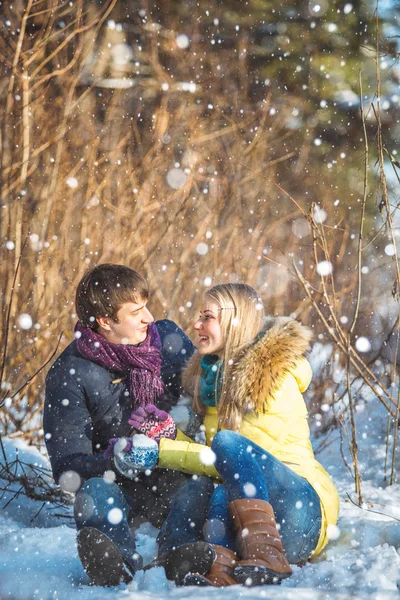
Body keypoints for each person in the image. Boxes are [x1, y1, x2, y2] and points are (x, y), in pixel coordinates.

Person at [126, 283, 340, 587]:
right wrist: (168, 434)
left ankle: (269, 554)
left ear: (234, 321)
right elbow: (224, 467)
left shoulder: (269, 380)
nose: (196, 325)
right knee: (211, 487)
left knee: (226, 450)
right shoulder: (215, 380)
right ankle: (214, 564)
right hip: (252, 522)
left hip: (300, 515)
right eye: (200, 316)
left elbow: (234, 461)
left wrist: (164, 451)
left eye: (207, 317)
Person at [43, 264, 215, 587]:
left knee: (199, 481)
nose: (149, 317)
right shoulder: (69, 374)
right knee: (94, 493)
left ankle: (178, 553)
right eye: (137, 312)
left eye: (146, 306)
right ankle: (116, 562)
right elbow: (66, 467)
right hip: (116, 485)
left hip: (172, 470)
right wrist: (114, 460)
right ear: (106, 322)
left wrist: (175, 423)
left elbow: (207, 397)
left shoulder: (167, 340)